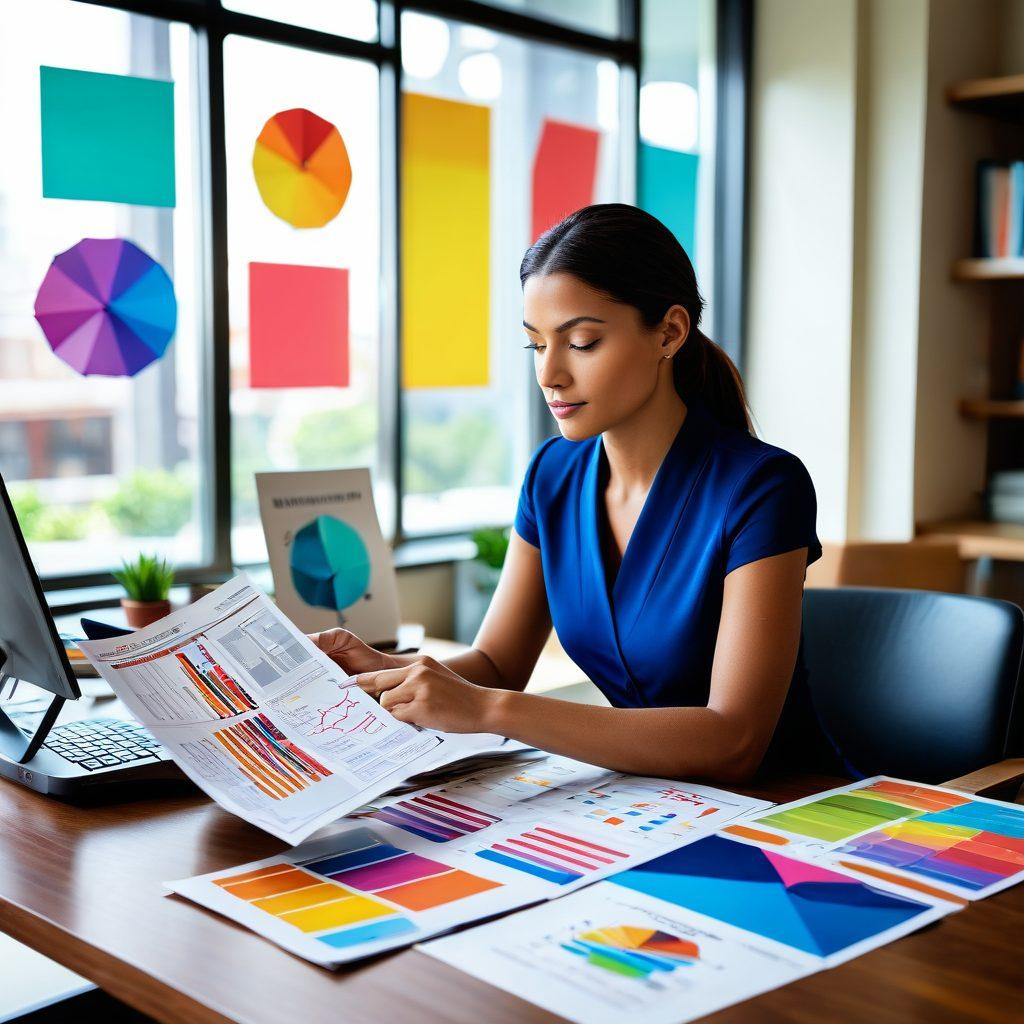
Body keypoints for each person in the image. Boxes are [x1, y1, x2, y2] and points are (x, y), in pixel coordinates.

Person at [314, 203, 822, 784]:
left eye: (580, 342)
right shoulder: (552, 475)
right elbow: (497, 664)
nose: (550, 374)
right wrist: (388, 671)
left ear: (670, 333)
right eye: (536, 345)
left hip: (784, 807)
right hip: (646, 804)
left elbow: (733, 740)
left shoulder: (762, 487)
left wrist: (489, 710)